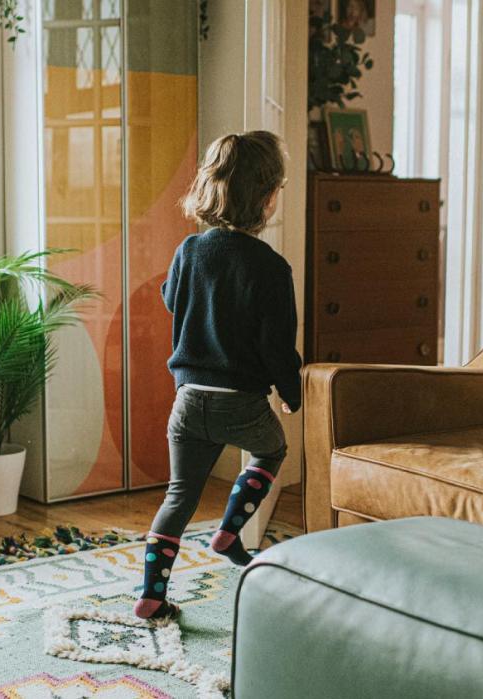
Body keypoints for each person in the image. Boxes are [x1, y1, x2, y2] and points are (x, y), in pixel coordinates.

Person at [134, 131, 302, 620]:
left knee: (179, 495)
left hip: (188, 404)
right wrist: (290, 395)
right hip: (242, 403)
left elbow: (171, 300)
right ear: (268, 198)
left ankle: (151, 594)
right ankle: (230, 530)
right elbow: (277, 347)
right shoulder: (272, 268)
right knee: (272, 451)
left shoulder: (189, 251)